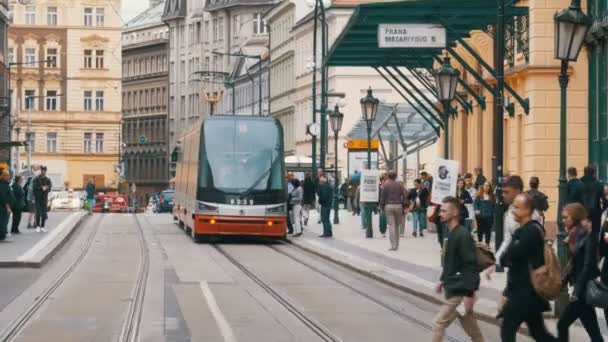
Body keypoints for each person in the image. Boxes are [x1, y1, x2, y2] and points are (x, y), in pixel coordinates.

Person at [499, 193, 557, 342]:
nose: (512, 210)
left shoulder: (531, 231)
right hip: (526, 292)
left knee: (507, 330)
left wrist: (509, 255)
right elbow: (506, 258)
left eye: (517, 207)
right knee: (539, 333)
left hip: (524, 292)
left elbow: (512, 255)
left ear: (527, 210)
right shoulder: (522, 231)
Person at [432, 196, 484, 342]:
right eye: (440, 211)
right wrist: (443, 280)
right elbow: (452, 263)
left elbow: (471, 265)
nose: (440, 213)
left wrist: (469, 293)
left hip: (459, 290)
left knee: (438, 323)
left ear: (454, 213)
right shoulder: (451, 233)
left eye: (443, 211)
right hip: (454, 287)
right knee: (473, 330)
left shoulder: (462, 235)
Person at [557, 203, 603, 342]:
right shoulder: (573, 235)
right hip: (580, 288)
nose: (563, 220)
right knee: (593, 332)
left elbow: (588, 265)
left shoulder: (588, 236)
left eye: (566, 217)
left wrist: (577, 290)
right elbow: (573, 264)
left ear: (575, 217)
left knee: (562, 324)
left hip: (583, 289)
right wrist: (563, 281)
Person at [495, 175, 543, 267]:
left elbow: (525, 246)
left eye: (506, 192)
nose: (503, 195)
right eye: (503, 192)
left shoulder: (532, 216)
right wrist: (497, 259)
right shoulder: (509, 212)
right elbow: (507, 240)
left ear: (517, 191)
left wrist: (502, 259)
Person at [379, 171, 408, 251]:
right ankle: (397, 245)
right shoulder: (399, 184)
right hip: (398, 205)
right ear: (396, 176)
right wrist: (405, 204)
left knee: (391, 225)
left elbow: (382, 197)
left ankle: (393, 245)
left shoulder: (385, 185)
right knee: (397, 226)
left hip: (388, 206)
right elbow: (406, 193)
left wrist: (381, 206)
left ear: (388, 176)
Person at [474, 181, 495, 245]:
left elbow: (494, 206)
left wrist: (492, 211)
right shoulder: (479, 195)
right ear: (483, 186)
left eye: (488, 186)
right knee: (480, 230)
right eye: (485, 185)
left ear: (490, 187)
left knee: (488, 231)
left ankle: (487, 244)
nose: (486, 187)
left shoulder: (492, 196)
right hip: (480, 216)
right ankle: (480, 243)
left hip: (489, 216)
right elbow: (475, 204)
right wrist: (476, 210)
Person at [32, 166, 52, 233]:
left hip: (44, 198)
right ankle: (37, 226)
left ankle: (42, 226)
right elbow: (34, 187)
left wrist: (46, 188)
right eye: (42, 170)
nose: (43, 172)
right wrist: (42, 188)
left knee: (44, 213)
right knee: (38, 213)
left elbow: (49, 188)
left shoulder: (48, 179)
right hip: (38, 198)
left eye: (44, 170)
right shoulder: (36, 179)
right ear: (41, 171)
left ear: (46, 171)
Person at [0, 168, 12, 241]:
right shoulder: (3, 185)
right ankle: (2, 236)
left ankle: (2, 235)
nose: (9, 177)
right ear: (3, 176)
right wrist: (7, 207)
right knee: (3, 221)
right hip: (3, 207)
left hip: (5, 207)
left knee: (4, 221)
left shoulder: (5, 184)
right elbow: (4, 197)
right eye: (7, 175)